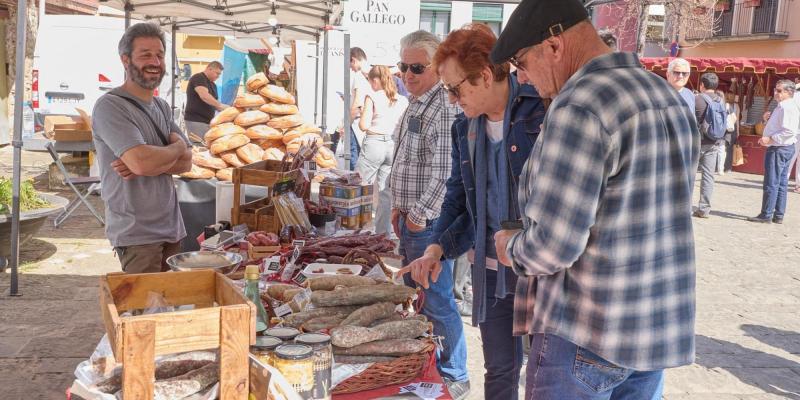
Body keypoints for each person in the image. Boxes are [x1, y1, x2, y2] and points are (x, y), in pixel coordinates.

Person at [489, 0, 699, 399]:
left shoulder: (581, 104)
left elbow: (553, 246)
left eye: (522, 62)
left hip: (587, 334)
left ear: (553, 46)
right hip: (651, 333)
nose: (524, 78)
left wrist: (509, 248)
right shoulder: (664, 93)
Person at [400, 24, 545, 400]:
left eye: (454, 88)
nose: (450, 99)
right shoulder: (465, 126)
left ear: (484, 76)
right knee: (499, 370)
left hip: (542, 271)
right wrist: (436, 249)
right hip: (490, 267)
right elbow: (459, 198)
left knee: (545, 377)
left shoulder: (541, 108)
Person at [389, 30, 470, 399]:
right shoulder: (417, 101)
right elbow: (407, 159)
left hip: (429, 223)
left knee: (436, 300)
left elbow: (445, 174)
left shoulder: (444, 105)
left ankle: (455, 373)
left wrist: (418, 216)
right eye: (403, 66)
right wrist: (397, 205)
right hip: (412, 217)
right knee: (419, 301)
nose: (407, 74)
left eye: (417, 67)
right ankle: (428, 367)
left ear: (436, 67)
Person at [92, 22, 192, 273]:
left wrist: (149, 164)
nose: (155, 62)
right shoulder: (110, 107)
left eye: (159, 55)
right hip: (137, 234)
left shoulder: (160, 106)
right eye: (145, 54)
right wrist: (176, 147)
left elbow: (187, 162)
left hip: (171, 228)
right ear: (126, 60)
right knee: (145, 310)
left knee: (170, 308)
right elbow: (143, 162)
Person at [357, 65, 408, 236]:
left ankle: (358, 231)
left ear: (375, 80)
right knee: (386, 194)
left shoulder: (372, 96)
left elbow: (363, 125)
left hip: (374, 143)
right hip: (393, 145)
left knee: (361, 188)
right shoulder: (402, 100)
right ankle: (382, 234)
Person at [747, 80, 799, 224]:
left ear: (789, 92)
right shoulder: (784, 106)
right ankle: (778, 214)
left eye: (779, 90)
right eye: (775, 90)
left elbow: (788, 131)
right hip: (783, 148)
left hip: (779, 148)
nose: (776, 93)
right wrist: (766, 121)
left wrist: (769, 139)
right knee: (781, 182)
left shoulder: (786, 106)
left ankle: (766, 214)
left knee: (772, 182)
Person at [693, 73, 726, 219]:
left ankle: (685, 206)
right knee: (708, 176)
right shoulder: (720, 100)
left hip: (697, 142)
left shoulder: (697, 99)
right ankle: (704, 208)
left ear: (702, 85)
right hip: (714, 142)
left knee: (690, 175)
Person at [184, 61, 226, 138]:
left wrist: (227, 110)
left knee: (206, 147)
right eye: (217, 73)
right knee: (199, 147)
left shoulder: (213, 84)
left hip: (208, 122)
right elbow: (204, 96)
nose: (218, 76)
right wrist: (220, 105)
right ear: (209, 69)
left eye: (219, 74)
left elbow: (214, 104)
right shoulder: (199, 77)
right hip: (196, 120)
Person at [347, 47, 372, 170]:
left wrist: (347, 124)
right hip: (370, 123)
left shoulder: (359, 75)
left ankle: (355, 189)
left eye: (350, 64)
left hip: (358, 123)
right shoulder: (374, 73)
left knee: (355, 162)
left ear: (353, 60)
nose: (350, 68)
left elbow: (357, 103)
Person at [722, 92, 741, 174]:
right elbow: (736, 121)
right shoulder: (736, 107)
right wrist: (737, 131)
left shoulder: (722, 104)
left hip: (722, 129)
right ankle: (728, 168)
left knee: (720, 149)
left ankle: (719, 167)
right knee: (729, 150)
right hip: (731, 130)